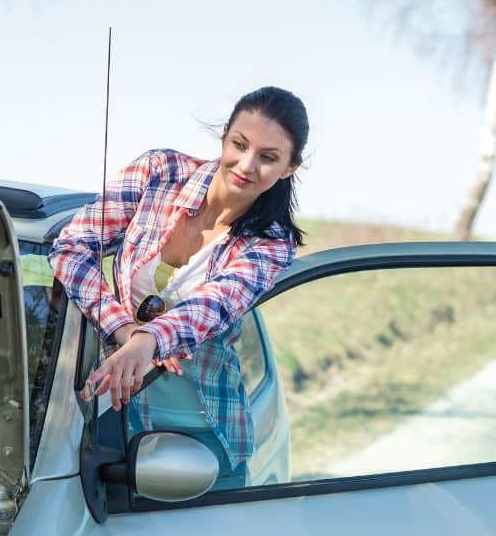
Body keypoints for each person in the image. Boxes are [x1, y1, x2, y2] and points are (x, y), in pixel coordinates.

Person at [49, 86, 309, 487]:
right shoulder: (158, 173)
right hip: (108, 424)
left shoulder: (272, 242)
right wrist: (124, 330)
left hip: (205, 437)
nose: (246, 164)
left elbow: (212, 305)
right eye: (239, 144)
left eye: (268, 157)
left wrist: (149, 341)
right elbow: (71, 247)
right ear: (225, 136)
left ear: (289, 168)